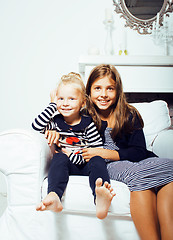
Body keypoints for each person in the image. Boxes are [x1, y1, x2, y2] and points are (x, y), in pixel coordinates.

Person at [81, 64, 173, 240]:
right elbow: (63, 126)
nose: (103, 94)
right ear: (89, 91)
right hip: (109, 166)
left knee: (169, 168)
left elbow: (139, 151)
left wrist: (108, 153)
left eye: (110, 89)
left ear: (118, 91)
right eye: (97, 88)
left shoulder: (129, 113)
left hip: (136, 160)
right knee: (137, 176)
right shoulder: (83, 116)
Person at [32, 72, 115, 219]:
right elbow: (35, 126)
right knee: (59, 158)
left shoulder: (88, 124)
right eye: (61, 99)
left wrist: (73, 155)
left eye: (71, 99)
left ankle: (100, 196)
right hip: (66, 165)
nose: (65, 103)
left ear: (82, 103)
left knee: (98, 160)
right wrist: (52, 105)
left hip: (86, 164)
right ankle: (54, 195)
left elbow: (96, 150)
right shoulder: (55, 122)